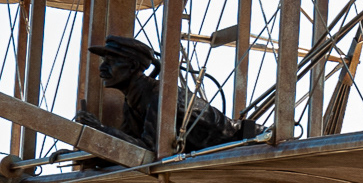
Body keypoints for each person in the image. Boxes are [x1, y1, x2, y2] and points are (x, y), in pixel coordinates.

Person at [73, 35, 251, 160]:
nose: (102, 68)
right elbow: (128, 146)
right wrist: (83, 153)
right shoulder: (133, 99)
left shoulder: (160, 97)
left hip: (247, 143)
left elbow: (149, 151)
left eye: (110, 62)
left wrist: (100, 130)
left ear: (133, 66)